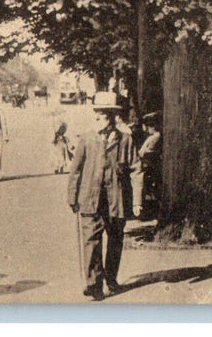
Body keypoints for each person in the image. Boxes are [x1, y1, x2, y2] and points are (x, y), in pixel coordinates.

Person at [68, 92, 136, 301]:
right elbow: (76, 169)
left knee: (115, 239)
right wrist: (72, 195)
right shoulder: (87, 139)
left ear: (113, 117)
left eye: (103, 116)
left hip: (116, 200)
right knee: (91, 241)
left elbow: (136, 169)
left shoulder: (125, 140)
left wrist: (138, 200)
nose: (98, 120)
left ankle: (111, 279)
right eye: (97, 115)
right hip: (90, 197)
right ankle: (93, 284)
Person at [132, 111, 162, 219]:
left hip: (148, 164)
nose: (148, 128)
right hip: (152, 163)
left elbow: (141, 152)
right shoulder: (156, 136)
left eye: (150, 125)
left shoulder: (154, 137)